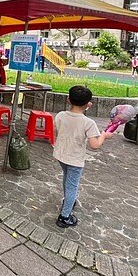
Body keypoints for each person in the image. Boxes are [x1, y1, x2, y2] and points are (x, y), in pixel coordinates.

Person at [53, 86, 113, 228]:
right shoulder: (88, 123)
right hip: (74, 159)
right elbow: (95, 145)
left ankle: (68, 200)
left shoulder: (60, 115)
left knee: (67, 180)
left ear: (68, 99)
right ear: (89, 104)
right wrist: (104, 135)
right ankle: (64, 216)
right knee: (72, 185)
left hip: (61, 154)